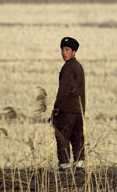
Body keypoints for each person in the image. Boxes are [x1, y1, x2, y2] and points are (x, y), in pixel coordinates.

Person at [52, 36, 85, 170]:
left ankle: (64, 167)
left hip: (66, 111)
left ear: (74, 52)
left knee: (62, 138)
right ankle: (80, 166)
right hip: (79, 111)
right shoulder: (78, 66)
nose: (64, 53)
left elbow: (63, 90)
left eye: (67, 50)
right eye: (62, 50)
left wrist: (57, 108)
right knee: (78, 140)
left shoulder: (68, 67)